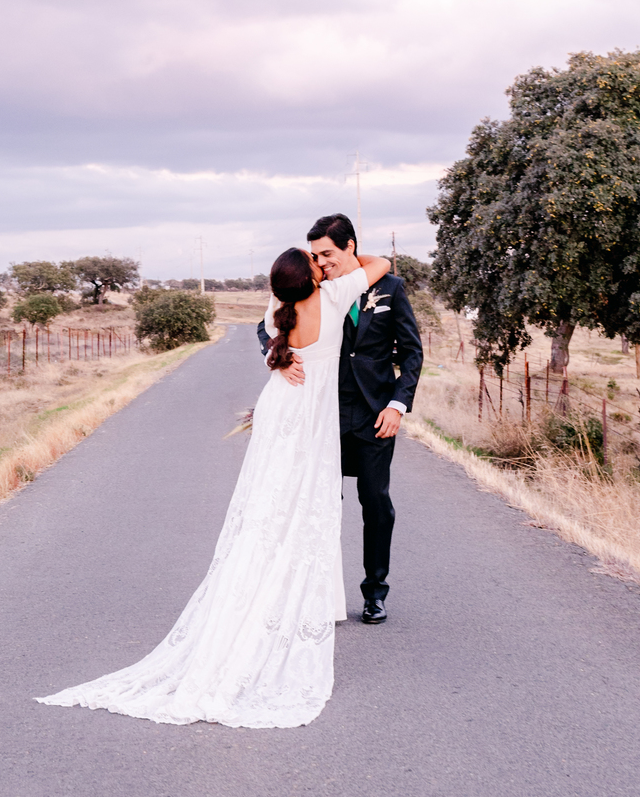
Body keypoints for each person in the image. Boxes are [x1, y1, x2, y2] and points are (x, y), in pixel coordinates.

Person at [38, 243, 391, 729]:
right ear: (311, 277)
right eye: (316, 261)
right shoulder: (332, 297)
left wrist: (280, 357)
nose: (322, 264)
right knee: (303, 506)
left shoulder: (279, 307)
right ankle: (283, 596)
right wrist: (345, 257)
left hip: (278, 409)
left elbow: (273, 342)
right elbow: (383, 265)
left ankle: (263, 589)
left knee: (266, 509)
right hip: (309, 421)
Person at [258, 213, 422, 625]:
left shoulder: (390, 288)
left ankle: (374, 593)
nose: (322, 261)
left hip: (374, 415)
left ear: (350, 246)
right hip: (321, 416)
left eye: (327, 253)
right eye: (315, 255)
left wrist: (397, 405)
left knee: (376, 504)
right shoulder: (313, 286)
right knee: (320, 503)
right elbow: (265, 328)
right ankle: (315, 592)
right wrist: (277, 358)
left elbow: (413, 353)